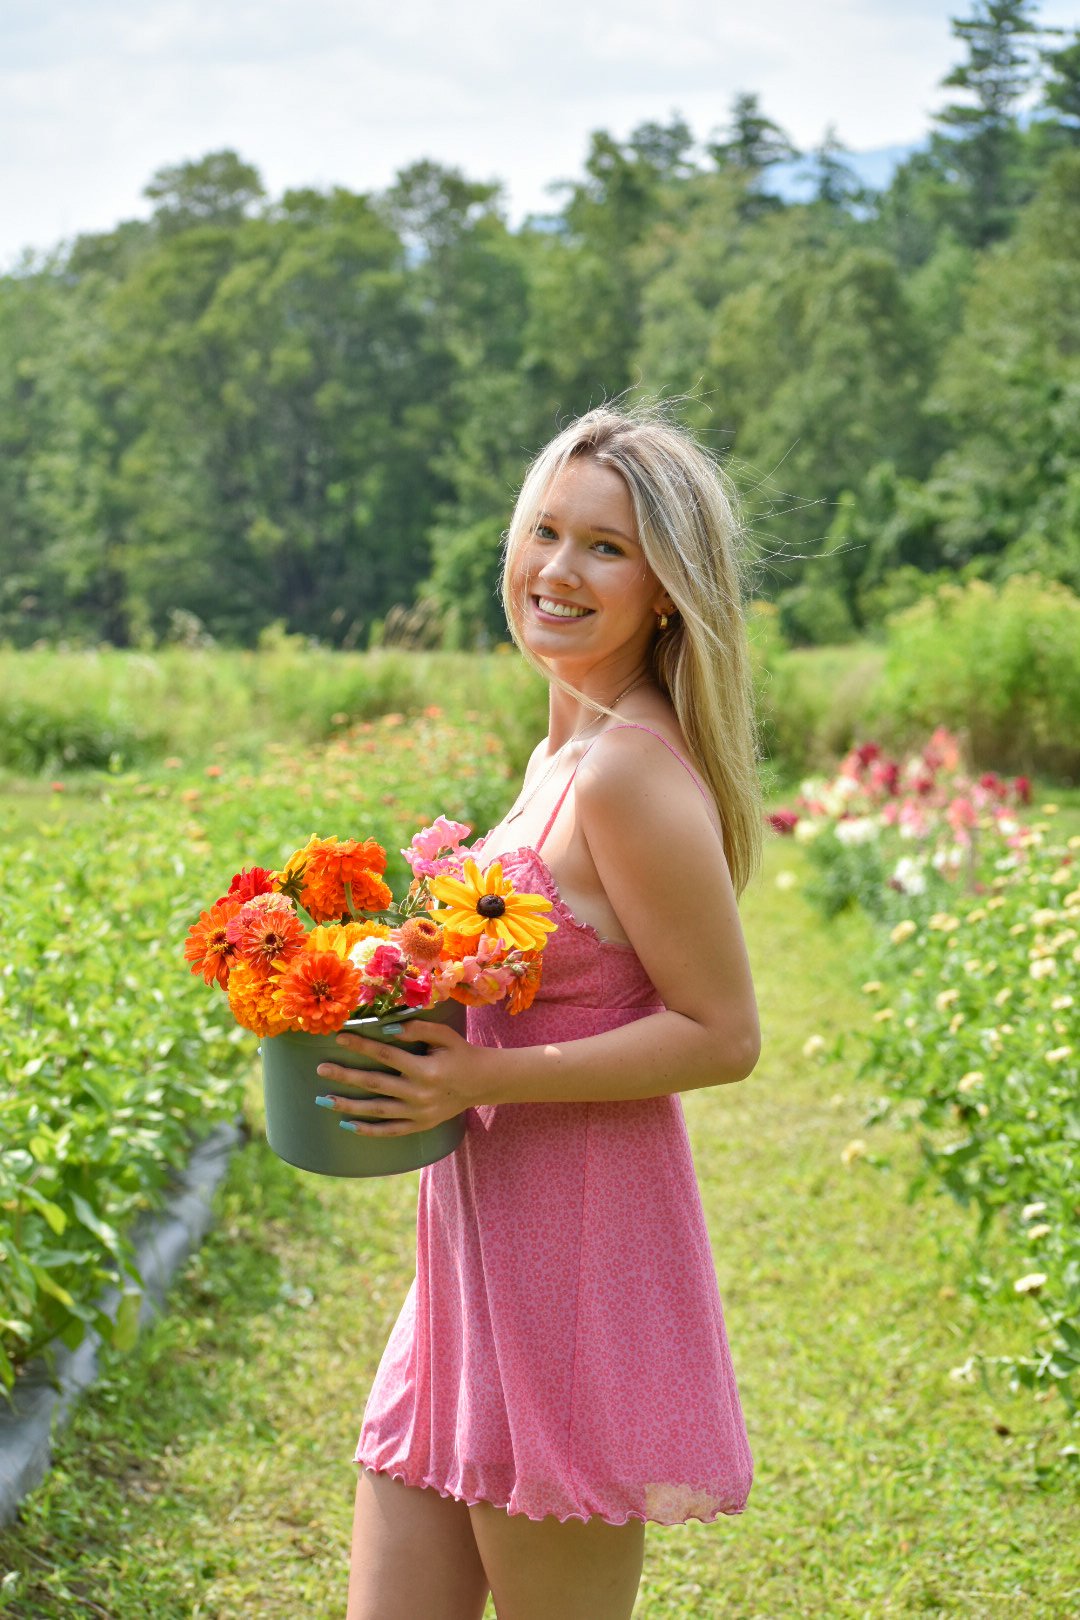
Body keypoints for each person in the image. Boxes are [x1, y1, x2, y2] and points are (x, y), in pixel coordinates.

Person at [315, 402, 763, 1620]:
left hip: (572, 1265)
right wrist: (389, 973)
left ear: (668, 588)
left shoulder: (629, 773)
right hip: (468, 1256)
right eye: (546, 533)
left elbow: (724, 1035)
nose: (558, 571)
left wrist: (480, 1081)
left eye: (607, 548)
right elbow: (535, 973)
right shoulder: (557, 752)